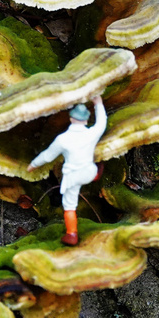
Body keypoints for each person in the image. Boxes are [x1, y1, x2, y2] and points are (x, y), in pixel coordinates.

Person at [28, 96, 106, 246]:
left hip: (72, 177)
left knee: (69, 206)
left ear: (71, 119)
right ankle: (96, 174)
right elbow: (101, 124)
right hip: (88, 172)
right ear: (85, 120)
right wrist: (98, 104)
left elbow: (48, 155)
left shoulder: (63, 139)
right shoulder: (91, 134)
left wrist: (34, 164)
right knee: (93, 169)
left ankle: (71, 234)